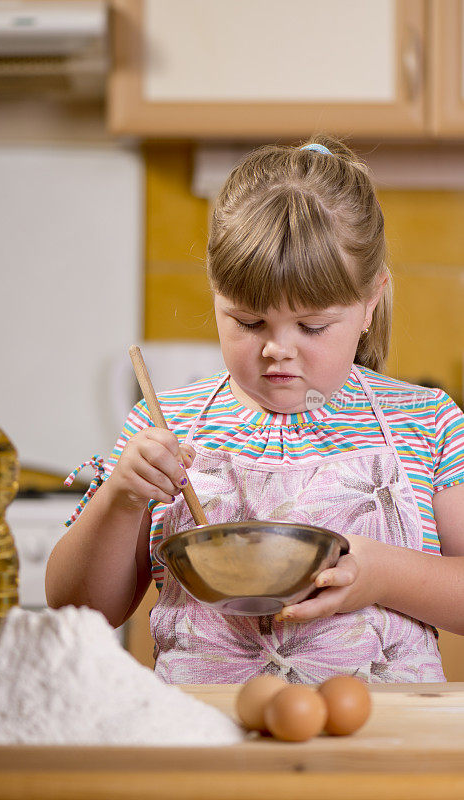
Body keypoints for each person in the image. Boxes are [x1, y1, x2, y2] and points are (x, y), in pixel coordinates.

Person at [45, 136, 464, 684]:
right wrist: (121, 498)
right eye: (248, 322)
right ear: (216, 295)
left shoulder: (426, 421)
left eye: (312, 326)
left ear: (370, 302)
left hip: (380, 751)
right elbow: (77, 609)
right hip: (202, 744)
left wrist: (385, 576)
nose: (278, 350)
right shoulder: (165, 424)